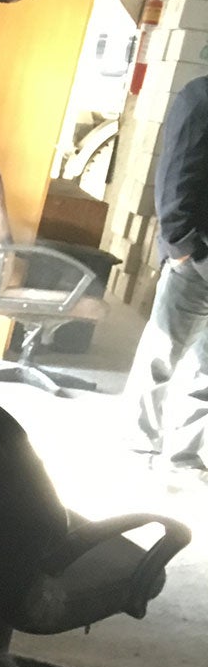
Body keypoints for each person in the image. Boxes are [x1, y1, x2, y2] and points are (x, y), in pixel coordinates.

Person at [124, 73, 208, 485]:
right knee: (162, 355)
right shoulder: (201, 97)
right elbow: (176, 176)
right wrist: (184, 248)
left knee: (207, 369)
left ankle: (184, 455)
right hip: (197, 256)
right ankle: (140, 445)